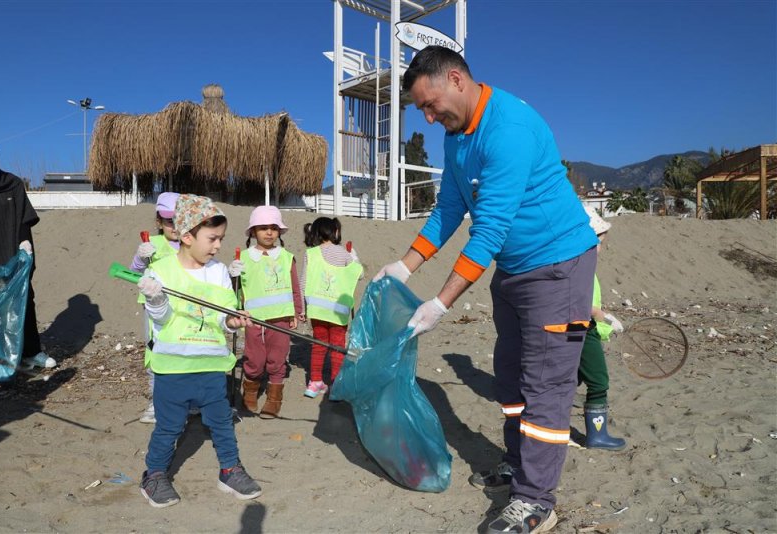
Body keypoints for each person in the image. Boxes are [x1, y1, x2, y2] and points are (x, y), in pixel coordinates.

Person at [373, 47, 598, 533]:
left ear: (456, 79)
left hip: (558, 267)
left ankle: (537, 500)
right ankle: (520, 465)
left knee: (545, 386)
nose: (430, 119)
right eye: (423, 112)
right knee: (510, 378)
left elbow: (490, 227)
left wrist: (441, 302)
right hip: (514, 271)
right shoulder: (457, 138)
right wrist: (405, 267)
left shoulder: (508, 129)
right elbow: (449, 209)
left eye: (431, 105)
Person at [136, 193, 261, 508]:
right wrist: (155, 299)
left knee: (221, 422)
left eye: (220, 238)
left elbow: (222, 318)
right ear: (187, 236)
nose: (217, 245)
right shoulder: (160, 270)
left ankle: (230, 470)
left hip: (211, 366)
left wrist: (232, 322)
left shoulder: (218, 271)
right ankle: (154, 475)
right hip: (173, 369)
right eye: (212, 238)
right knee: (169, 426)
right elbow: (162, 320)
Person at [0, 135, 56, 372]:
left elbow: (24, 218)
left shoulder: (12, 183)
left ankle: (30, 353)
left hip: (12, 256)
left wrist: (24, 244)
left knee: (23, 304)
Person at [228, 205, 302, 418]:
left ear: (279, 231)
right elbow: (234, 290)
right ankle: (250, 391)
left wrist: (296, 313)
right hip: (253, 320)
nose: (269, 232)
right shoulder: (242, 258)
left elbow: (295, 287)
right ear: (253, 232)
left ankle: (274, 397)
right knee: (254, 359)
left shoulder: (287, 257)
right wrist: (232, 274)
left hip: (281, 318)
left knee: (277, 359)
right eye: (263, 228)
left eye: (273, 228)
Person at [130, 192, 181, 424]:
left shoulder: (192, 243)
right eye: (169, 221)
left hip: (183, 306)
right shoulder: (151, 243)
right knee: (156, 351)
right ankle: (156, 402)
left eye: (180, 220)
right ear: (159, 221)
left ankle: (185, 401)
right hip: (154, 307)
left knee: (183, 351)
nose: (175, 226)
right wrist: (141, 259)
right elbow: (134, 273)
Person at [578, 206, 626, 450]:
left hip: (577, 331)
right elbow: (582, 304)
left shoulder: (578, 264)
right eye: (600, 241)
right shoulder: (579, 266)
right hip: (584, 332)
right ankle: (597, 436)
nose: (602, 248)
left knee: (568, 381)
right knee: (598, 382)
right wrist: (604, 317)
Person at [299, 217, 362, 398]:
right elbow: (358, 275)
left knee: (318, 345)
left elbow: (304, 281)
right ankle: (335, 384)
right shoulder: (343, 254)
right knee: (337, 346)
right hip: (338, 311)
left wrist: (302, 308)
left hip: (317, 310)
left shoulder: (310, 253)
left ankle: (314, 382)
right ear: (334, 232)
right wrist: (354, 258)